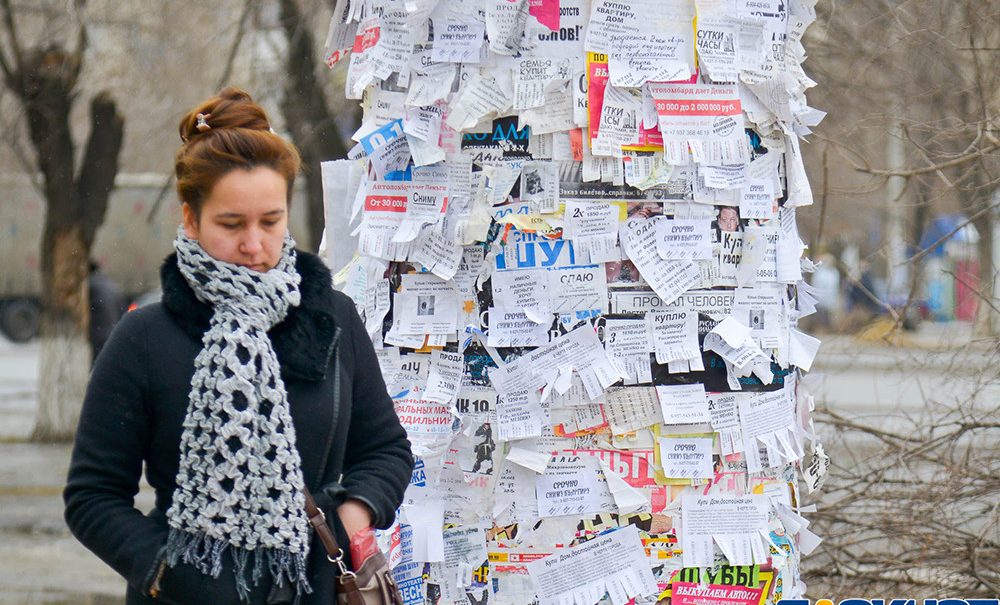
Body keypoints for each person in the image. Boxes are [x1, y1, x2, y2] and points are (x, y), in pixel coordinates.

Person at [64, 88, 413, 605]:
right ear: (190, 218)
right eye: (232, 225)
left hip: (314, 588)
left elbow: (385, 450)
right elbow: (92, 497)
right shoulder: (144, 337)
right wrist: (168, 572)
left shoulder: (330, 318)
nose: (254, 244)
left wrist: (351, 515)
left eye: (270, 221)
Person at [88, 260, 126, 361]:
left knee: (98, 362)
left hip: (98, 332)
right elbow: (122, 308)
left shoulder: (90, 285)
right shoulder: (110, 283)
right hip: (113, 330)